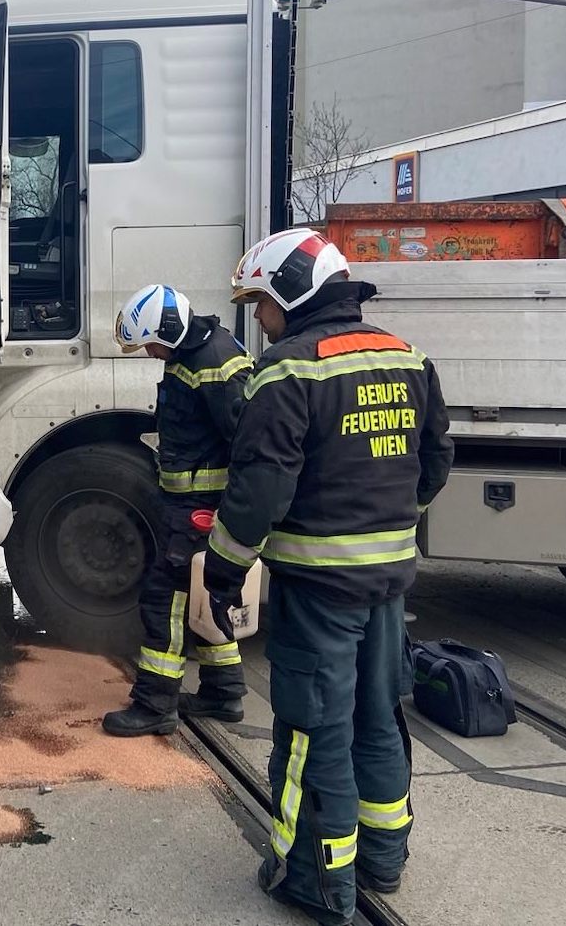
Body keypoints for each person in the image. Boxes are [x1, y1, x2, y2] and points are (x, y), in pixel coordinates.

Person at [203, 229, 452, 926]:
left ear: (293, 291)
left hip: (318, 590)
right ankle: (383, 859)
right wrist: (392, 529)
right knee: (379, 717)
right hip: (388, 584)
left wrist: (224, 571)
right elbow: (434, 463)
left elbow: (259, 492)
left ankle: (319, 882)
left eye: (260, 302)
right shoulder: (408, 357)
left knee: (315, 731)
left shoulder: (287, 371)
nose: (257, 317)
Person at [102, 283, 254, 737]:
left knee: (165, 602)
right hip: (191, 503)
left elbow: (246, 440)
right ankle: (223, 692)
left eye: (150, 342)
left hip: (199, 508)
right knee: (206, 598)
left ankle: (155, 704)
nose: (148, 351)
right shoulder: (195, 353)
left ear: (169, 329)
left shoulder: (214, 367)